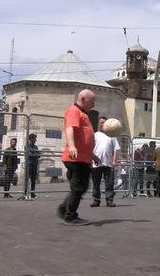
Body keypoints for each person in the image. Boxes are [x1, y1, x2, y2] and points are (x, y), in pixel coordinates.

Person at [57, 89, 100, 226]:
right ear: (82, 98)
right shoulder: (74, 111)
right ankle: (69, 216)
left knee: (82, 187)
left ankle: (65, 210)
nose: (93, 105)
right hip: (74, 158)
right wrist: (72, 146)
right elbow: (70, 128)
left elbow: (85, 136)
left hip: (83, 158)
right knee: (77, 187)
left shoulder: (83, 114)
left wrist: (91, 154)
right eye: (91, 102)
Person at [90, 117, 120, 207]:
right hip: (96, 164)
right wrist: (91, 158)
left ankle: (109, 200)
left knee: (109, 184)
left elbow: (116, 149)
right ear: (98, 124)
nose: (102, 124)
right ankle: (96, 200)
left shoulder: (112, 135)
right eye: (101, 123)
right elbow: (89, 148)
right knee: (96, 183)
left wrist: (114, 161)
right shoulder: (94, 135)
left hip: (109, 164)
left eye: (104, 123)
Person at [24, 133, 41, 199]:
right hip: (29, 164)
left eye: (35, 138)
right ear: (30, 139)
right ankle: (25, 192)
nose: (35, 140)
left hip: (35, 164)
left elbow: (39, 155)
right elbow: (30, 155)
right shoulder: (27, 146)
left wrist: (34, 153)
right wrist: (35, 153)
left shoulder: (36, 147)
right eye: (34, 138)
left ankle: (32, 192)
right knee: (27, 179)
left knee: (33, 179)